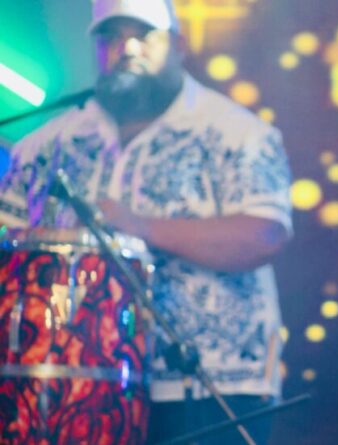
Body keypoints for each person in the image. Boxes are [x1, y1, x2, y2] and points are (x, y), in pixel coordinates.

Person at [0, 0, 292, 443]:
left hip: (212, 385)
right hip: (71, 383)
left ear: (178, 44)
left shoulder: (237, 133)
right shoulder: (45, 143)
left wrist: (141, 227)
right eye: (111, 37)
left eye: (143, 34)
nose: (127, 48)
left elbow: (266, 233)